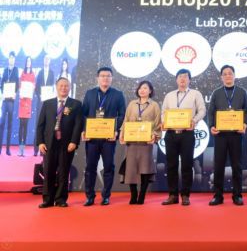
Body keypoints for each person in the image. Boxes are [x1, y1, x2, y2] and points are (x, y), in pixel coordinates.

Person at [81, 67, 126, 206]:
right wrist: (85, 130)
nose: (105, 78)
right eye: (102, 76)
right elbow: (84, 114)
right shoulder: (90, 93)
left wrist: (116, 131)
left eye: (108, 76)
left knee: (108, 167)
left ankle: (106, 196)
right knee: (90, 167)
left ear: (112, 78)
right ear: (98, 78)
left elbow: (122, 115)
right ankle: (89, 196)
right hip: (92, 138)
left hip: (109, 138)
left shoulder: (118, 94)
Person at [161, 69, 206, 206]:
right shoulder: (169, 95)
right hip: (171, 134)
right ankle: (172, 195)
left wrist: (194, 120)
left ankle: (185, 195)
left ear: (189, 80)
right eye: (180, 76)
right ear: (176, 79)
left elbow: (202, 110)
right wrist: (164, 122)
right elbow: (163, 112)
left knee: (187, 165)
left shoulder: (195, 94)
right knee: (171, 165)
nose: (182, 79)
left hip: (187, 134)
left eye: (185, 76)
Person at [36, 77, 83, 208]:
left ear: (70, 87)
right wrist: (40, 142)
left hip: (66, 144)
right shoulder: (47, 103)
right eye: (61, 85)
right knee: (48, 171)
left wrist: (74, 141)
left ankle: (61, 199)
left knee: (63, 172)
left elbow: (78, 125)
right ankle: (47, 199)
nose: (63, 88)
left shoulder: (76, 104)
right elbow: (40, 125)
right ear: (56, 87)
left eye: (66, 86)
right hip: (49, 144)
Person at [207, 65, 247, 206]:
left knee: (237, 165)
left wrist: (244, 124)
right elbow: (211, 112)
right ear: (221, 77)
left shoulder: (242, 92)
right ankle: (218, 196)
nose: (227, 76)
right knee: (218, 165)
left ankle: (237, 195)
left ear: (234, 75)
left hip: (236, 134)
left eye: (230, 73)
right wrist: (211, 126)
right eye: (225, 74)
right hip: (220, 134)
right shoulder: (216, 93)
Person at [119, 81, 161, 205]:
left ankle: (142, 196)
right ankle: (133, 195)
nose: (142, 90)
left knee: (145, 169)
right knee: (130, 169)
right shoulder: (132, 104)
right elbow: (126, 120)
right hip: (132, 142)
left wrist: (154, 135)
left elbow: (158, 124)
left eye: (145, 88)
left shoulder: (154, 105)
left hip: (146, 143)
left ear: (150, 91)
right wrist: (122, 134)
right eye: (140, 88)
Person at [33, 54, 55, 156]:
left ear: (50, 61)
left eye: (48, 59)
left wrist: (49, 96)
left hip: (49, 103)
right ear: (43, 60)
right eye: (45, 59)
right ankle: (35, 149)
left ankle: (43, 150)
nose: (46, 60)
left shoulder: (52, 73)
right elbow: (36, 88)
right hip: (40, 102)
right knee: (39, 124)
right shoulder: (40, 72)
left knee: (47, 125)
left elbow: (52, 88)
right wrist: (40, 95)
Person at [1, 51, 19, 156]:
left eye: (13, 58)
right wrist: (3, 93)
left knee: (9, 125)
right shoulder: (5, 70)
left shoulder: (16, 70)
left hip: (11, 100)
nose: (11, 59)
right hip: (5, 101)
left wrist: (15, 93)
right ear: (8, 59)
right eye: (10, 57)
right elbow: (1, 84)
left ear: (14, 59)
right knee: (2, 123)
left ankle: (8, 149)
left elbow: (17, 84)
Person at [17, 56, 35, 157]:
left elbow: (33, 87)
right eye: (27, 61)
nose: (28, 62)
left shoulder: (33, 74)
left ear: (31, 63)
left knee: (26, 125)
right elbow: (20, 86)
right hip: (22, 102)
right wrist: (21, 92)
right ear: (25, 62)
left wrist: (31, 91)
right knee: (21, 125)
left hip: (28, 102)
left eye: (30, 61)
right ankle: (19, 148)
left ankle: (23, 149)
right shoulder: (22, 73)